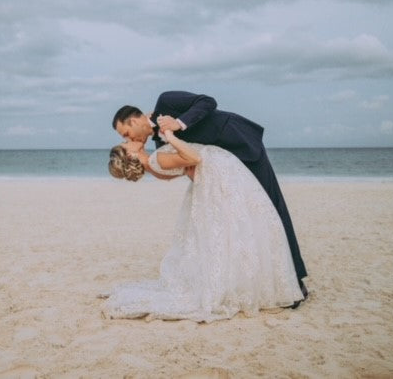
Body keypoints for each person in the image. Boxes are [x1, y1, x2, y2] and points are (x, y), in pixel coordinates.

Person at [112, 91, 308, 306]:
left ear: (134, 121)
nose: (128, 139)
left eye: (126, 133)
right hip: (225, 169)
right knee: (247, 222)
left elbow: (207, 102)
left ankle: (296, 280)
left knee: (272, 208)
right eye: (125, 139)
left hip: (240, 143)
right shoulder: (160, 145)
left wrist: (178, 123)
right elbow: (186, 161)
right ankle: (263, 281)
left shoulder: (166, 101)